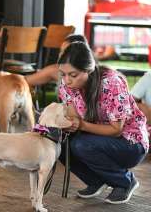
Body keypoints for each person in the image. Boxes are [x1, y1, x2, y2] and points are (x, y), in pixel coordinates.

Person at [57, 41, 148, 204]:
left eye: (73, 75)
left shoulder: (111, 82)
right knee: (60, 145)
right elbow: (73, 119)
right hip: (95, 139)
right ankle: (96, 180)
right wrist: (64, 126)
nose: (66, 80)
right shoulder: (66, 87)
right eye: (63, 74)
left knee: (81, 145)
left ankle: (125, 181)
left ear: (89, 70)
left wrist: (82, 125)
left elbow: (116, 130)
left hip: (131, 144)